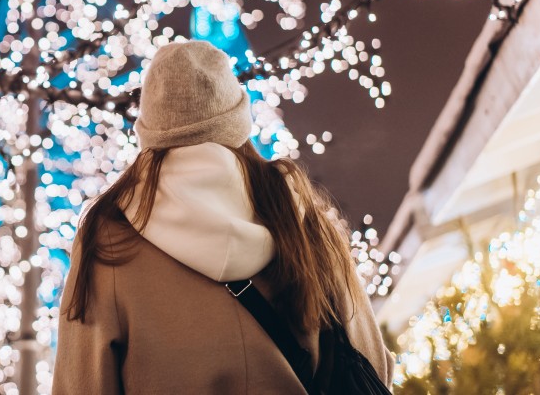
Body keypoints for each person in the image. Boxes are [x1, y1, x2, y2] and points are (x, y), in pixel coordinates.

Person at [52, 40, 392, 394]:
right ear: (237, 120)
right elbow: (370, 361)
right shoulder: (299, 215)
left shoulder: (110, 236)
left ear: (150, 128)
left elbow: (81, 384)